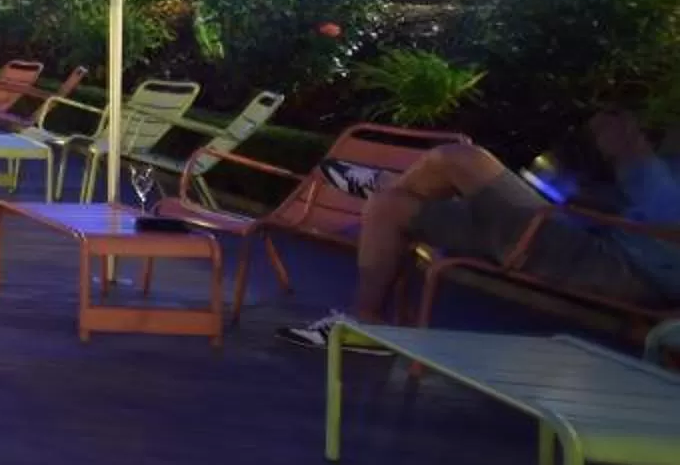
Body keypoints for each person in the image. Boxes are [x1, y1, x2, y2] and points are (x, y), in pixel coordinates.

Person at [285, 109, 680, 348]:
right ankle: (364, 323)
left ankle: (385, 180)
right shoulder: (659, 167)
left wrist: (633, 152)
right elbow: (638, 209)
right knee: (390, 208)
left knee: (461, 158)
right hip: (587, 235)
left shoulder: (651, 169)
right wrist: (587, 198)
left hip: (609, 264)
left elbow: (660, 239)